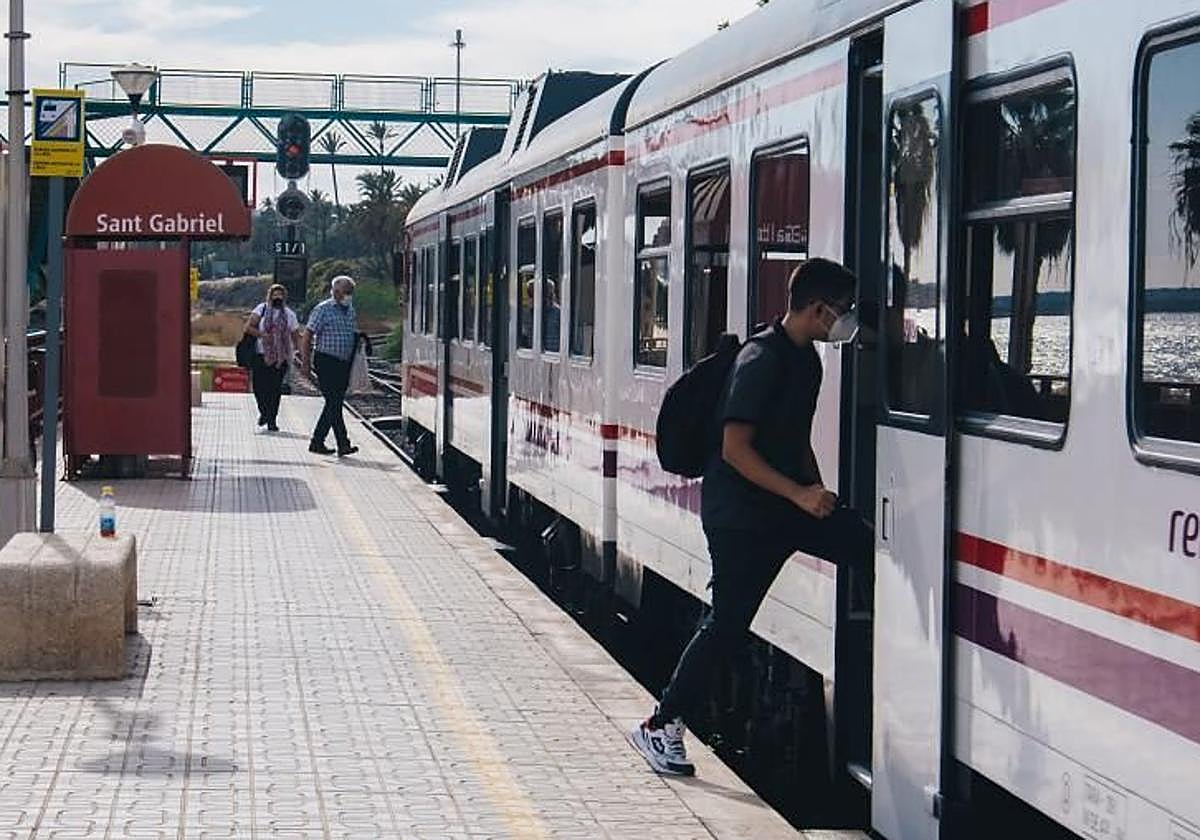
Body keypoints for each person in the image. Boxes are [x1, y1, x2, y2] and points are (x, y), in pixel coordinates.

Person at [630, 257, 874, 776]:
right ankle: (659, 725)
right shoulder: (760, 359)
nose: (848, 319)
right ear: (817, 309)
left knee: (862, 542)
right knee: (728, 623)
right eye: (844, 310)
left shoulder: (808, 360)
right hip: (739, 516)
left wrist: (816, 490)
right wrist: (799, 495)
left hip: (782, 505)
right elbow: (736, 449)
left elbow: (794, 434)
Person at [301, 275, 360, 457]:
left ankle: (317, 441)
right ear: (335, 292)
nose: (349, 296)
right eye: (346, 292)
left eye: (351, 292)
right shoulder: (323, 309)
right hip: (326, 360)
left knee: (333, 403)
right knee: (334, 403)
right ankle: (343, 443)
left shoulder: (350, 309)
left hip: (343, 362)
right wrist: (306, 362)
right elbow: (308, 335)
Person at [242, 284, 301, 432]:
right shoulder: (261, 310)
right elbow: (248, 327)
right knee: (259, 387)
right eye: (275, 295)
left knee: (274, 390)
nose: (277, 298)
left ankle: (272, 419)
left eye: (280, 295)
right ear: (270, 296)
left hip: (280, 358)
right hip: (260, 354)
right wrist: (262, 335)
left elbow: (295, 336)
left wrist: (300, 354)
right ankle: (264, 412)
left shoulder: (289, 314)